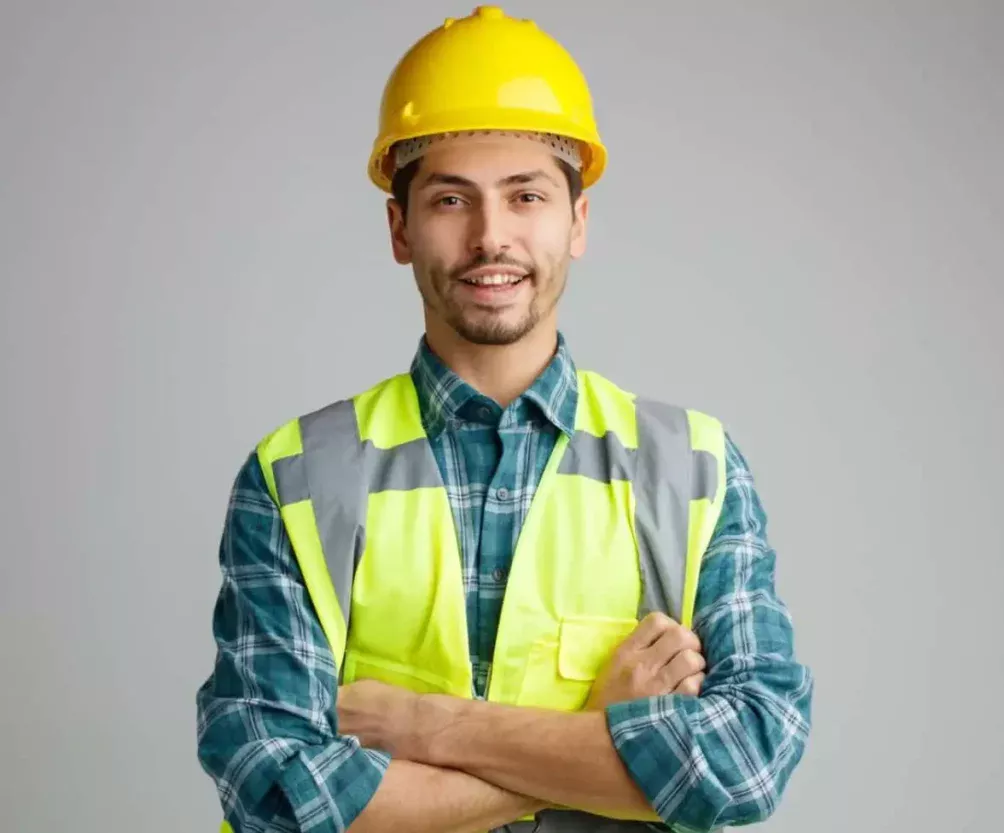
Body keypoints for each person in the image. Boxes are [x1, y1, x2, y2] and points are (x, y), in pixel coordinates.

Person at [195, 6, 814, 833]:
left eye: (527, 196)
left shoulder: (694, 467)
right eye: (453, 199)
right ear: (399, 228)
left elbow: (742, 765)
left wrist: (428, 727)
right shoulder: (299, 474)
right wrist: (597, 741)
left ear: (577, 221)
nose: (492, 237)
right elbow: (277, 795)